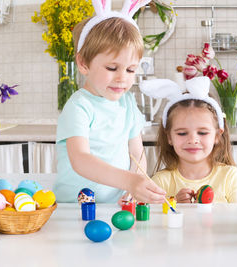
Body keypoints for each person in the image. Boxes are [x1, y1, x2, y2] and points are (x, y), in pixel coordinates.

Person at [53, 0, 166, 203]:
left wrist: (135, 184)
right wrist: (130, 181)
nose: (122, 78)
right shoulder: (79, 106)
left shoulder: (128, 104)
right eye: (112, 68)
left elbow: (137, 154)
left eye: (131, 69)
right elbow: (80, 160)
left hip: (116, 205)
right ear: (83, 63)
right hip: (72, 209)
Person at [139, 76, 237, 203]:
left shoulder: (230, 177)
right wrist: (175, 204)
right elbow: (151, 220)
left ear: (217, 135)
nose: (193, 140)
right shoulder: (160, 182)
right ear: (169, 137)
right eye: (182, 133)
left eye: (202, 132)